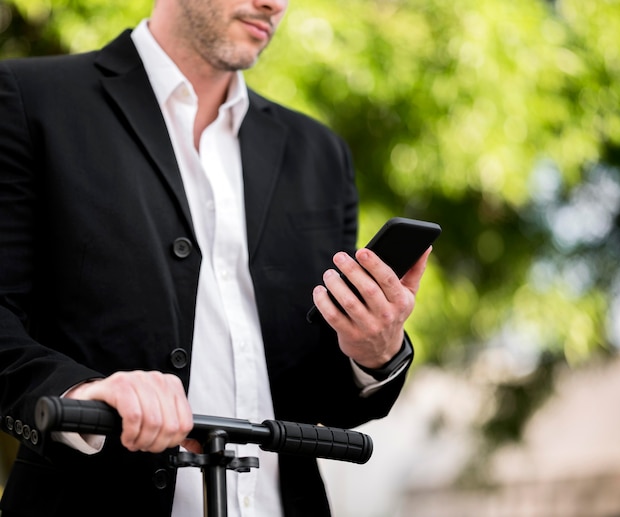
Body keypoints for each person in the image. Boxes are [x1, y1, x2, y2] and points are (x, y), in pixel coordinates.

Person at [0, 0, 432, 515]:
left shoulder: (319, 153)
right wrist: (82, 392)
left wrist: (372, 352)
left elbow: (322, 394)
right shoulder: (29, 100)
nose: (274, 3)